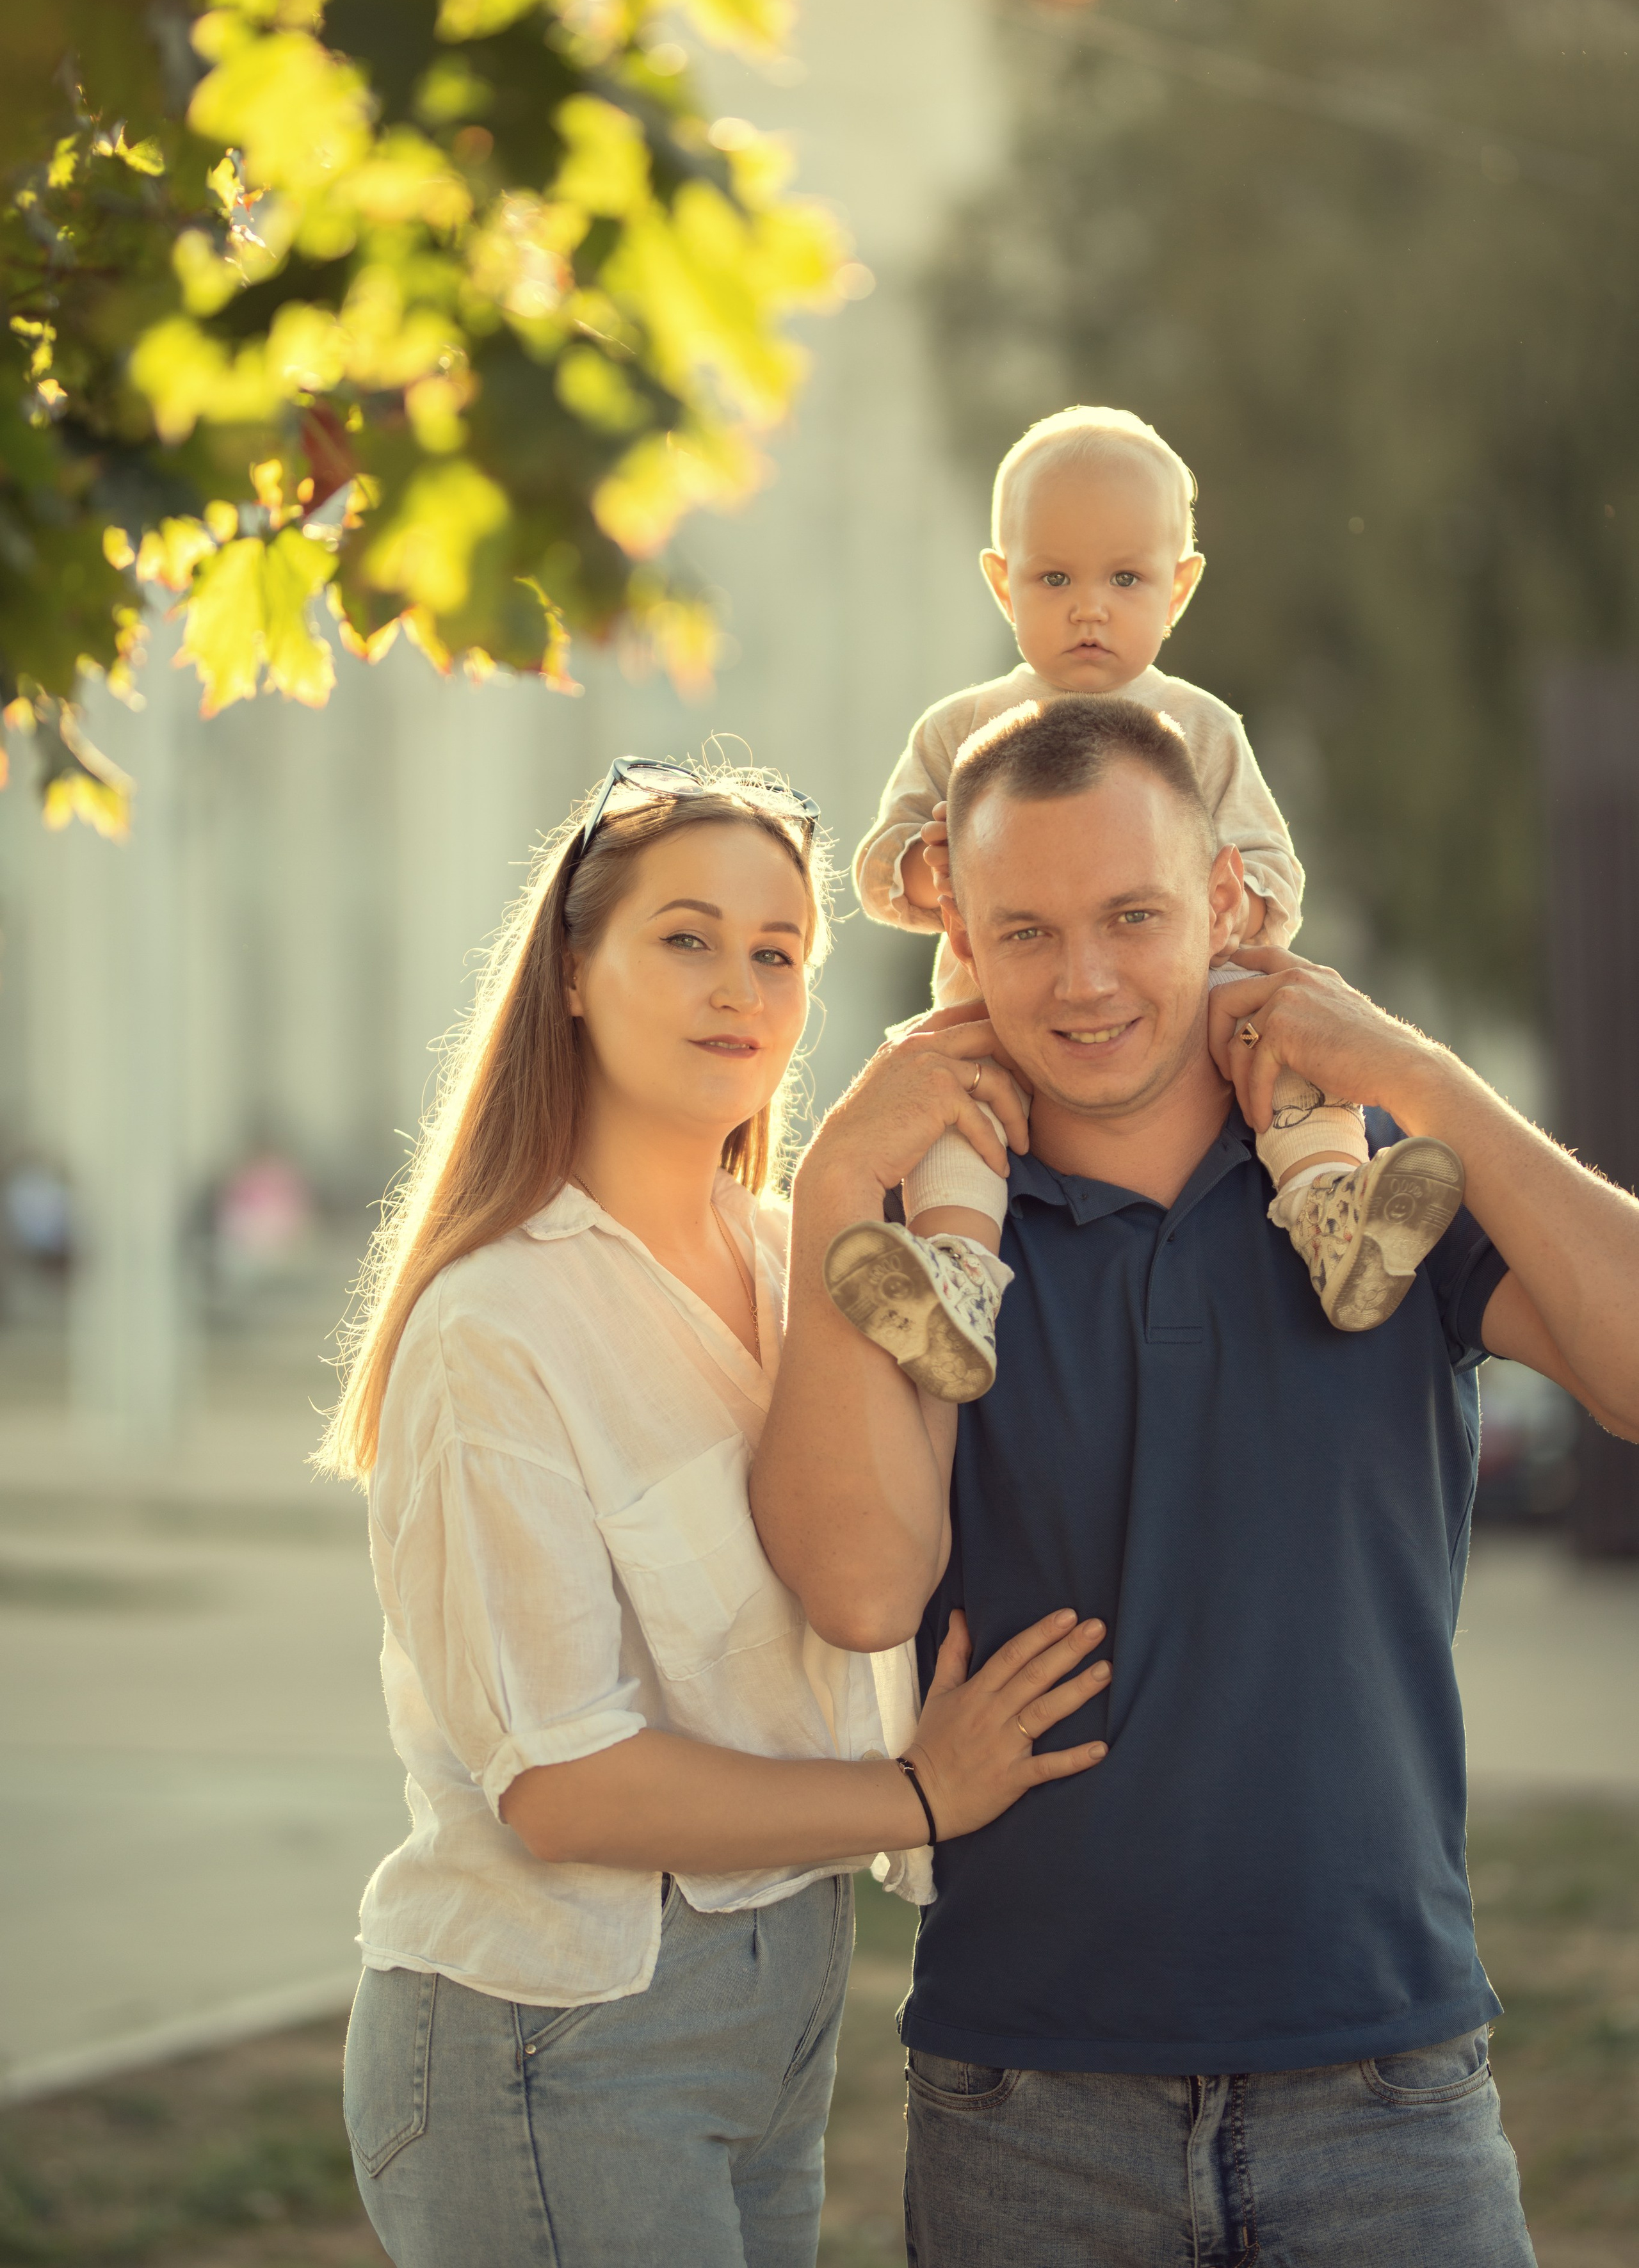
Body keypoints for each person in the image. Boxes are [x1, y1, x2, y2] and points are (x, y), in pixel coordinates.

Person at [752, 695, 1639, 2268]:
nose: (1083, 979)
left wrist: (1417, 1073)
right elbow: (858, 1589)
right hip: (1026, 2105)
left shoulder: (1374, 1197)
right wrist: (830, 1174)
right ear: (955, 924)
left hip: (1383, 2086)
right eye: (1024, 930)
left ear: (1226, 903)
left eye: (1134, 917)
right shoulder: (929, 1239)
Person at [317, 755, 1109, 2268]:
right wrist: (917, 1797)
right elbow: (564, 1788)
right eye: (684, 938)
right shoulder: (498, 1326)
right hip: (558, 2030)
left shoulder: (791, 1258)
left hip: (783, 2004)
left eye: (776, 952)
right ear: (570, 969)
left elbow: (880, 1571)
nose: (734, 986)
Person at [836, 405, 1460, 1399]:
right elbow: (877, 869)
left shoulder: (1201, 730)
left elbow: (1272, 872)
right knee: (950, 1098)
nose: (1090, 608)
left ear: (1180, 586)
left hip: (1188, 1016)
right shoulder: (962, 729)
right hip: (1000, 1015)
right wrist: (928, 866)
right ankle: (955, 1279)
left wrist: (1231, 912)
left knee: (1286, 1038)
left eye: (1125, 580)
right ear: (1003, 581)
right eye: (1054, 579)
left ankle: (1330, 1212)